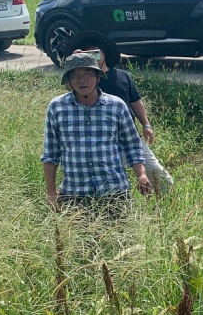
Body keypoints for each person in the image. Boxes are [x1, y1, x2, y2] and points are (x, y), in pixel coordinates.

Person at [41, 51, 152, 215]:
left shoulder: (116, 106)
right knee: (78, 240)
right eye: (75, 75)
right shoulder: (57, 107)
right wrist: (51, 192)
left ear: (98, 77)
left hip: (114, 192)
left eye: (88, 74)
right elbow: (51, 153)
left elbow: (132, 146)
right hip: (74, 194)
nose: (82, 80)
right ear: (69, 81)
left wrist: (141, 175)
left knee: (120, 239)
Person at [64, 32, 174, 194]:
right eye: (88, 54)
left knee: (160, 176)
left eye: (96, 52)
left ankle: (163, 206)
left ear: (104, 53)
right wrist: (75, 62)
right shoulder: (83, 81)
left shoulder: (122, 76)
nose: (93, 56)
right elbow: (69, 87)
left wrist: (146, 124)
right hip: (102, 140)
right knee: (113, 185)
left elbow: (135, 101)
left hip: (130, 137)